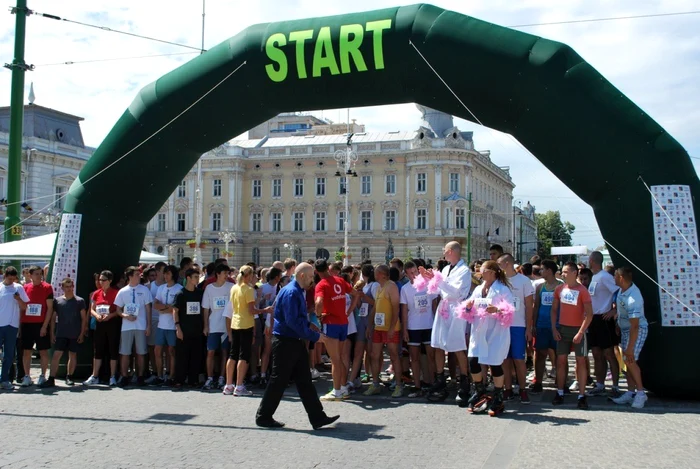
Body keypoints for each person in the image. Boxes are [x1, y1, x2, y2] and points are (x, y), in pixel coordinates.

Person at [255, 262, 339, 430]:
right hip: (286, 341)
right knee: (279, 380)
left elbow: (296, 318)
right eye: (309, 277)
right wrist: (315, 336)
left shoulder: (295, 290)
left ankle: (317, 417)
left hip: (292, 340)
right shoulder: (292, 292)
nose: (312, 281)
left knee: (304, 381)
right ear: (301, 276)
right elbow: (292, 321)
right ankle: (263, 416)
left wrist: (309, 326)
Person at [420, 241, 472, 405]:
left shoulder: (464, 270)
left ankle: (464, 382)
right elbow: (438, 290)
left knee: (457, 347)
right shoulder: (445, 269)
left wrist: (438, 280)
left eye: (445, 250)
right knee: (438, 345)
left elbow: (456, 292)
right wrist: (430, 280)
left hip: (455, 309)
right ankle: (440, 378)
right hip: (443, 307)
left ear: (450, 251)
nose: (443, 252)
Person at [463, 260, 514, 416]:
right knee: (473, 361)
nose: (479, 271)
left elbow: (510, 311)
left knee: (495, 364)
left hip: (495, 332)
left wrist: (497, 310)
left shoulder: (503, 290)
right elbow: (467, 309)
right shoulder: (478, 289)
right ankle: (479, 391)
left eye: (483, 269)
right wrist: (468, 307)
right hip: (479, 331)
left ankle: (498, 397)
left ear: (492, 272)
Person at [223, 265, 272, 396]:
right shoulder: (248, 289)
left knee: (233, 355)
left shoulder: (234, 287)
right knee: (243, 356)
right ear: (248, 275)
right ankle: (239, 386)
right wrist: (265, 310)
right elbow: (252, 310)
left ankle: (228, 385)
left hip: (235, 322)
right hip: (245, 324)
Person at [551, 262, 593, 409]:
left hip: (577, 329)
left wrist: (581, 332)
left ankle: (582, 395)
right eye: (562, 272)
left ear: (575, 273)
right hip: (562, 329)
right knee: (561, 361)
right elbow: (554, 310)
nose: (563, 274)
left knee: (580, 361)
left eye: (566, 272)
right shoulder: (559, 289)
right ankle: (560, 392)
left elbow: (589, 314)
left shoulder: (582, 290)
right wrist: (554, 328)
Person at [314, 259, 356, 401]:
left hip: (331, 323)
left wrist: (319, 315)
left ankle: (336, 391)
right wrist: (348, 311)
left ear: (316, 271)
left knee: (335, 360)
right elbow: (356, 294)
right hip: (343, 323)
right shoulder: (339, 280)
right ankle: (343, 387)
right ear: (327, 268)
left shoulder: (321, 285)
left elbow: (319, 302)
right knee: (341, 358)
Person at [497, 254, 535, 404]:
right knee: (505, 360)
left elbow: (529, 306)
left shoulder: (524, 281)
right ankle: (507, 389)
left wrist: (528, 328)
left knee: (519, 359)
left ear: (507, 263)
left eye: (499, 263)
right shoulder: (499, 281)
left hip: (518, 326)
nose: (497, 266)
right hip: (502, 325)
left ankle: (523, 389)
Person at [611, 267, 648, 409]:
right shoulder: (622, 290)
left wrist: (630, 348)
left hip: (637, 330)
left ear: (621, 278)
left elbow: (635, 326)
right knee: (627, 361)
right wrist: (619, 324)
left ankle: (640, 393)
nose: (613, 278)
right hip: (626, 330)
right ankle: (631, 392)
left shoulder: (634, 298)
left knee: (630, 359)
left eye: (614, 276)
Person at [40, 278, 87, 388]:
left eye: (71, 286)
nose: (69, 288)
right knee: (56, 356)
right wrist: (52, 333)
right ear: (62, 288)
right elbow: (52, 318)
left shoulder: (80, 301)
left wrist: (81, 334)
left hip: (74, 333)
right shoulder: (57, 301)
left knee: (73, 355)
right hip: (61, 333)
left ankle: (69, 377)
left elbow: (84, 319)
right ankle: (51, 379)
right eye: (67, 286)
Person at [586, 251, 621, 397]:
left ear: (592, 260)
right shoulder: (595, 277)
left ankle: (615, 386)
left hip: (604, 319)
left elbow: (619, 290)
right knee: (596, 353)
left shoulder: (605, 277)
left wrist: (615, 310)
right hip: (593, 319)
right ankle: (600, 384)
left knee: (609, 353)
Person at [365, 264, 402, 397]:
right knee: (374, 355)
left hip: (390, 328)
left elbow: (396, 307)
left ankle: (399, 385)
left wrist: (392, 327)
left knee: (394, 356)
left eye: (376, 272)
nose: (374, 274)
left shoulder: (391, 286)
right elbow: (375, 308)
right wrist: (370, 326)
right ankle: (375, 384)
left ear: (382, 274)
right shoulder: (379, 287)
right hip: (378, 328)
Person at [400, 261, 437, 397]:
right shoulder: (405, 289)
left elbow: (434, 304)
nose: (414, 275)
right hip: (413, 326)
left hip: (429, 325)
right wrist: (405, 330)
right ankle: (417, 385)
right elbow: (404, 310)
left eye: (415, 272)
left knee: (431, 356)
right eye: (411, 273)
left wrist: (437, 323)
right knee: (414, 358)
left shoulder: (427, 284)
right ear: (406, 274)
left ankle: (433, 383)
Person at [114, 266, 153, 387]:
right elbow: (118, 309)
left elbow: (148, 308)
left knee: (141, 352)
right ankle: (124, 376)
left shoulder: (145, 290)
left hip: (141, 325)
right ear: (130, 276)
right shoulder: (123, 291)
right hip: (127, 326)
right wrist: (125, 315)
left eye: (139, 274)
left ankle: (140, 376)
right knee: (125, 352)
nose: (139, 276)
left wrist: (149, 325)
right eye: (136, 274)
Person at [84, 270, 121, 386]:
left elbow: (119, 310)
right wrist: (96, 316)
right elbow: (92, 309)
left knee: (112, 350)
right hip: (99, 324)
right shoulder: (96, 293)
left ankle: (112, 376)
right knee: (98, 350)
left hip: (112, 323)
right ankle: (95, 376)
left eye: (103, 280)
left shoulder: (116, 293)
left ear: (110, 281)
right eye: (100, 280)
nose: (101, 282)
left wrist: (110, 315)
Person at [20, 265, 55, 387]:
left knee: (43, 351)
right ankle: (27, 376)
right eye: (36, 274)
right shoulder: (25, 288)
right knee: (26, 351)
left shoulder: (47, 287)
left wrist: (45, 326)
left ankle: (42, 376)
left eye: (41, 273)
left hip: (41, 324)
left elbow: (50, 308)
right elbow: (22, 307)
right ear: (30, 275)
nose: (39, 276)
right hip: (26, 324)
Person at [529, 260, 560, 393]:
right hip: (541, 326)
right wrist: (533, 324)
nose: (540, 271)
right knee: (540, 354)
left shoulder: (561, 286)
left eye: (542, 269)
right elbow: (536, 307)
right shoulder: (540, 287)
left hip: (557, 326)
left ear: (549, 270)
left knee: (560, 355)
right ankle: (538, 382)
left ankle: (560, 382)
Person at [202, 263, 234, 390]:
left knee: (225, 352)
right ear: (218, 274)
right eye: (225, 273)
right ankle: (210, 378)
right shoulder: (209, 288)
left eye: (228, 273)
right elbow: (205, 309)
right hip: (213, 325)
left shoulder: (231, 287)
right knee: (210, 352)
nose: (227, 276)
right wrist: (205, 326)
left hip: (226, 326)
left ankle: (222, 377)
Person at [172, 268, 205, 388]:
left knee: (196, 356)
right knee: (181, 356)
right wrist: (178, 328)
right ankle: (179, 379)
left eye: (198, 277)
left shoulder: (200, 293)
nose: (197, 279)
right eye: (195, 277)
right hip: (184, 330)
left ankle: (193, 380)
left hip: (197, 330)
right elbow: (175, 311)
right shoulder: (180, 294)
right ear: (188, 278)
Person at [0, 267, 29, 390]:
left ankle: (4, 379)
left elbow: (24, 307)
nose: (11, 281)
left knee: (9, 354)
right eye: (9, 278)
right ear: (5, 276)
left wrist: (18, 299)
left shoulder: (18, 288)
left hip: (12, 325)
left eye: (13, 279)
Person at [153, 266, 182, 385]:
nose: (165, 276)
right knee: (157, 351)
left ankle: (171, 376)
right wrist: (167, 308)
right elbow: (155, 305)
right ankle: (160, 375)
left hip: (172, 326)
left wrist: (164, 308)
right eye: (165, 273)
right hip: (161, 325)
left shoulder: (179, 289)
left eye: (168, 274)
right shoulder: (161, 288)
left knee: (172, 351)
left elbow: (175, 309)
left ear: (173, 275)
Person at [258, 267, 282, 388]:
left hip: (278, 322)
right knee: (267, 350)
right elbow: (258, 305)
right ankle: (263, 374)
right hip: (266, 320)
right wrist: (263, 299)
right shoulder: (263, 287)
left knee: (275, 351)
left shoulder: (280, 289)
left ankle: (272, 374)